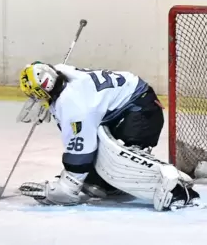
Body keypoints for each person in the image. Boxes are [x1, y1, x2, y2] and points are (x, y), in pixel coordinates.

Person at [17, 62, 200, 211]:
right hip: (132, 104)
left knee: (121, 159)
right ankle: (104, 182)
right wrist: (51, 102)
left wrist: (68, 187)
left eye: (35, 95)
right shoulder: (63, 71)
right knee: (102, 153)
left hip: (142, 113)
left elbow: (80, 148)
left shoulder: (74, 106)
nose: (35, 99)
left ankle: (176, 191)